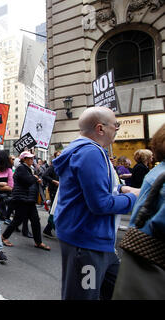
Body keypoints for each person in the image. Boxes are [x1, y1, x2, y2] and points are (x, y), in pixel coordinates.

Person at [52, 106, 139, 300]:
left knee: (120, 291)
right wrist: (135, 198)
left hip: (96, 242)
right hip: (87, 243)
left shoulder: (89, 151)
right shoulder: (90, 153)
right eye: (116, 125)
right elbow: (100, 204)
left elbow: (93, 191)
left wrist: (121, 189)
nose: (117, 129)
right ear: (100, 128)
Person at [112, 124, 165, 299]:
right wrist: (129, 196)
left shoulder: (155, 171)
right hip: (151, 265)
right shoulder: (156, 174)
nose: (116, 128)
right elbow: (99, 203)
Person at [1, 151, 51, 251]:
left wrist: (36, 178)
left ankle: (38, 242)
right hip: (22, 199)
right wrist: (35, 178)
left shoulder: (29, 169)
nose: (32, 160)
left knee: (35, 221)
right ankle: (4, 237)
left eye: (32, 158)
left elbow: (31, 180)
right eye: (29, 158)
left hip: (29, 199)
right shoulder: (21, 168)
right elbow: (28, 181)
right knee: (17, 220)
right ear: (24, 159)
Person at [42, 150, 61, 238]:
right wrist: (53, 181)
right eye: (57, 155)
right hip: (54, 190)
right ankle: (48, 228)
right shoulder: (53, 166)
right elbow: (44, 175)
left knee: (56, 210)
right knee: (54, 210)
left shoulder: (62, 165)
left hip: (59, 190)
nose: (59, 157)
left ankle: (49, 228)